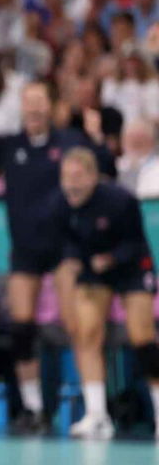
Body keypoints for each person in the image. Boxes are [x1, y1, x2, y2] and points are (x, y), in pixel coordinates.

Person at [0, 82, 114, 433]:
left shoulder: (68, 141)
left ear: (50, 106)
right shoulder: (9, 145)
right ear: (21, 107)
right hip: (25, 249)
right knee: (21, 328)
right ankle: (34, 409)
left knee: (77, 325)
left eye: (39, 102)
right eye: (28, 103)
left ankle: (95, 409)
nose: (33, 109)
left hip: (65, 248)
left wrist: (95, 137)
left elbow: (106, 168)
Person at [57, 148, 159, 440]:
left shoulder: (120, 201)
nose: (71, 185)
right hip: (94, 270)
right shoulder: (62, 205)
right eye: (65, 178)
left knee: (143, 338)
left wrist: (112, 258)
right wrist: (73, 261)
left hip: (131, 266)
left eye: (77, 177)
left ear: (93, 176)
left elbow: (135, 242)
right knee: (86, 333)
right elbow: (67, 244)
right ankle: (97, 415)